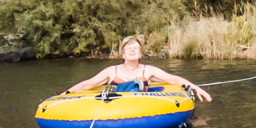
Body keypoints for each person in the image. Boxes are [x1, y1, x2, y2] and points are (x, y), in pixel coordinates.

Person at [63, 35, 212, 102]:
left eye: (135, 48)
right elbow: (88, 84)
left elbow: (173, 79)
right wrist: (66, 92)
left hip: (141, 110)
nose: (132, 50)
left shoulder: (148, 71)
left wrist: (196, 88)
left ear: (140, 53)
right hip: (113, 110)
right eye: (129, 48)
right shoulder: (111, 71)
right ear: (123, 53)